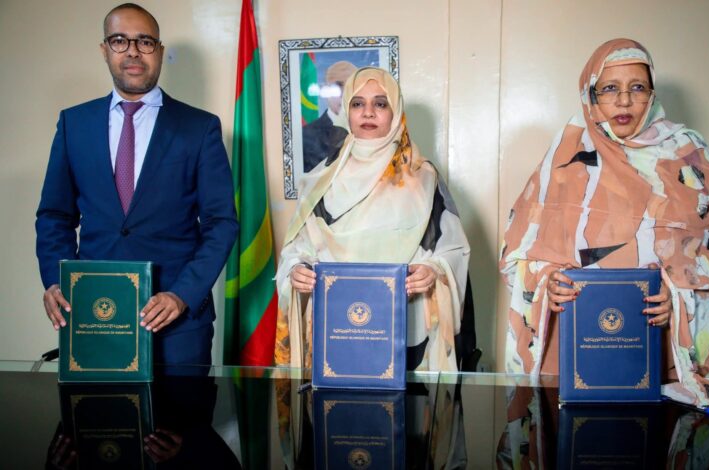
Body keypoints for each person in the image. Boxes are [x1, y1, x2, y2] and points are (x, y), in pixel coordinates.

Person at [500, 38, 709, 406]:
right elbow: (519, 251)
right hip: (573, 352)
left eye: (638, 88)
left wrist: (680, 299)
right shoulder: (564, 157)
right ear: (591, 94)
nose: (625, 101)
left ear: (652, 93)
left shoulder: (691, 156)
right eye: (610, 88)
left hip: (663, 357)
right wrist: (546, 281)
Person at [35, 3, 238, 366]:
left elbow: (221, 223)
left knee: (184, 407)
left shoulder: (200, 127)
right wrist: (55, 280)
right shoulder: (73, 124)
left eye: (145, 41)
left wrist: (182, 294)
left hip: (178, 324)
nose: (132, 51)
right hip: (94, 313)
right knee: (98, 405)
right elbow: (55, 215)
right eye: (119, 40)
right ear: (105, 50)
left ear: (158, 51)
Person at [275, 67, 471, 371]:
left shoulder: (423, 177)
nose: (368, 112)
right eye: (357, 103)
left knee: (407, 401)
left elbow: (453, 249)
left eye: (380, 103)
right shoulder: (319, 180)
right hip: (334, 326)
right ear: (347, 112)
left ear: (396, 112)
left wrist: (433, 270)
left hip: (407, 328)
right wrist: (296, 270)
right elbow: (297, 249)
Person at [301, 60, 357, 172]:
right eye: (338, 86)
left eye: (351, 86)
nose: (344, 93)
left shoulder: (371, 129)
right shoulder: (306, 135)